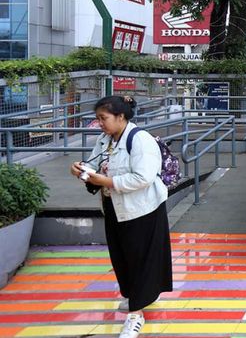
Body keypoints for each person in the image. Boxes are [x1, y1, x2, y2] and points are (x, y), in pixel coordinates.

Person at [69, 96, 171, 338]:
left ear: (121, 117)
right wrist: (81, 171)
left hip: (142, 210)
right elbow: (95, 165)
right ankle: (136, 297)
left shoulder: (140, 140)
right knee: (121, 257)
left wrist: (108, 181)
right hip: (115, 207)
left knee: (139, 260)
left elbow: (143, 178)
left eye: (103, 118)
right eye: (98, 118)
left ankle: (136, 315)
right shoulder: (105, 140)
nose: (100, 124)